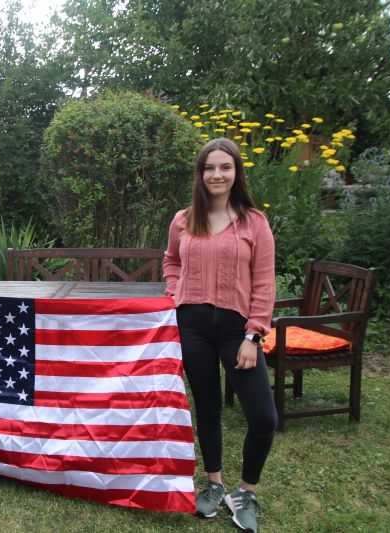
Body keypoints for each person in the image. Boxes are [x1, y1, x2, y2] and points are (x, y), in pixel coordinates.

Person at [163, 138, 277, 532]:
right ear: (201, 173)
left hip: (236, 331)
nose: (217, 174)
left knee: (263, 416)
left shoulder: (254, 222)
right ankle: (213, 484)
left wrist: (254, 335)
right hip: (191, 326)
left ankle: (245, 492)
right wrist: (174, 293)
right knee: (207, 409)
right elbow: (171, 260)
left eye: (225, 167)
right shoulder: (183, 219)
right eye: (210, 168)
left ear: (236, 173)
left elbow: (264, 283)